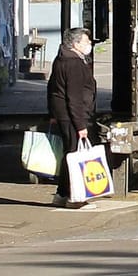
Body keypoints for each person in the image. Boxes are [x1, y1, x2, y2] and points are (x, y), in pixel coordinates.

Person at [47, 28, 97, 207]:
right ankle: (76, 197)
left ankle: (61, 194)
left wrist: (53, 114)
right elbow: (74, 96)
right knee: (76, 156)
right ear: (76, 44)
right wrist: (81, 125)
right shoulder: (74, 63)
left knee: (70, 154)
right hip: (73, 116)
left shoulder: (61, 59)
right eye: (86, 42)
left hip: (63, 115)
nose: (89, 45)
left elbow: (52, 89)